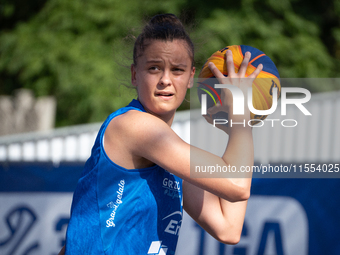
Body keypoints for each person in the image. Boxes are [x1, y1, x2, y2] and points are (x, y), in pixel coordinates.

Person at [59, 13, 263, 255]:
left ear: (190, 78)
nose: (165, 80)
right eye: (154, 68)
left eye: (177, 70)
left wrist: (242, 123)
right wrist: (240, 111)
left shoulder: (170, 156)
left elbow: (229, 228)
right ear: (135, 75)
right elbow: (236, 184)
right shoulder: (135, 127)